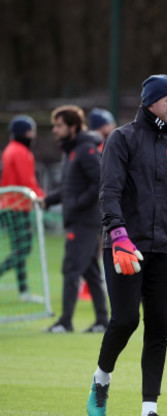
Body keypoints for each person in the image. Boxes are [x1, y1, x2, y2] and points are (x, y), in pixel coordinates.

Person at [86, 74, 167, 416]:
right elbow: (109, 190)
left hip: (163, 250)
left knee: (159, 327)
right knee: (126, 319)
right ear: (151, 102)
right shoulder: (121, 139)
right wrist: (117, 234)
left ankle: (149, 412)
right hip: (124, 248)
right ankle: (101, 379)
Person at [42, 105, 108, 334]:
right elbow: (70, 189)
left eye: (59, 125)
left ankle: (65, 322)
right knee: (91, 272)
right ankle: (102, 320)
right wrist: (47, 200)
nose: (55, 130)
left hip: (84, 222)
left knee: (71, 269)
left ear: (72, 127)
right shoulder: (71, 151)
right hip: (82, 220)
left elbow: (99, 182)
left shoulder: (85, 150)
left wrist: (77, 203)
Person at [0, 115, 45, 301]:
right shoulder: (19, 151)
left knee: (19, 250)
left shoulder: (11, 149)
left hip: (11, 205)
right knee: (23, 250)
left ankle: (23, 290)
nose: (33, 135)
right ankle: (23, 290)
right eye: (30, 131)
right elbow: (27, 180)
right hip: (17, 207)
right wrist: (40, 197)